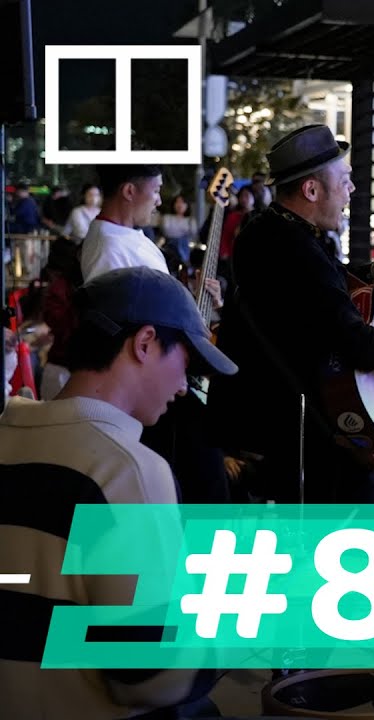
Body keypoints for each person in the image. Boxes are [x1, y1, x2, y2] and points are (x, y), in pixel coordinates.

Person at [0, 267, 236, 719]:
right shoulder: (127, 470)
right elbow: (151, 675)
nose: (183, 386)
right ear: (144, 343)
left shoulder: (8, 431)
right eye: (185, 362)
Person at [209, 124, 374, 503]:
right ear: (311, 190)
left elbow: (330, 282)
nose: (352, 190)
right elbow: (347, 335)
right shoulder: (289, 245)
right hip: (294, 430)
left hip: (291, 422)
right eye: (345, 181)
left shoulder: (277, 230)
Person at [80, 166, 167, 282]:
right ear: (129, 191)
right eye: (156, 191)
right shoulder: (110, 251)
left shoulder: (115, 237)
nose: (159, 202)